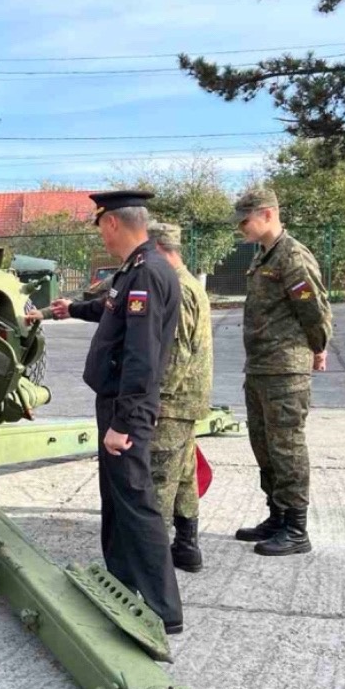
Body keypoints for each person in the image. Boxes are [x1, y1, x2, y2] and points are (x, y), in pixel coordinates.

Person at [45, 189, 184, 633]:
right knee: (117, 498)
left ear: (112, 223)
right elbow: (111, 311)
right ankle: (121, 584)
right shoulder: (134, 270)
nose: (101, 236)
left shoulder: (147, 274)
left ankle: (164, 610)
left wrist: (123, 423)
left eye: (101, 226)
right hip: (116, 401)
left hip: (128, 407)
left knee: (136, 501)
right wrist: (73, 309)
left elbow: (142, 357)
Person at [233, 187, 332, 557]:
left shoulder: (292, 256)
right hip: (261, 366)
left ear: (267, 214)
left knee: (286, 446)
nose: (241, 227)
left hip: (285, 369)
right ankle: (276, 516)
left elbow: (313, 308)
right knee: (264, 444)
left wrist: (318, 347)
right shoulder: (264, 255)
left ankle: (296, 528)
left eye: (245, 220)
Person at [146, 223, 213, 573]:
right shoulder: (189, 284)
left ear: (159, 249)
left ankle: (151, 560)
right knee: (184, 474)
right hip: (186, 399)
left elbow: (177, 351)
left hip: (173, 401)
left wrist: (156, 397)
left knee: (159, 478)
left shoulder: (180, 289)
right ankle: (186, 547)